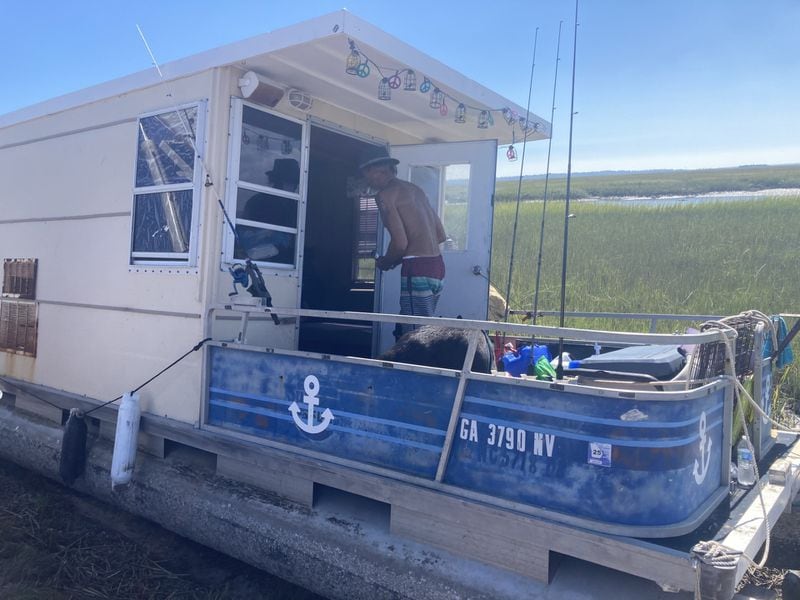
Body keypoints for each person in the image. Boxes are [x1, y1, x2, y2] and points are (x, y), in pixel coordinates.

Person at [359, 147, 447, 339]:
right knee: (420, 326)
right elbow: (440, 235)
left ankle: (417, 369)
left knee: (417, 335)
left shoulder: (385, 196)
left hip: (417, 268)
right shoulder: (416, 190)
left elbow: (400, 243)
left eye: (366, 173)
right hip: (437, 267)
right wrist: (399, 259)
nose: (366, 179)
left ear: (378, 171)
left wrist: (386, 262)